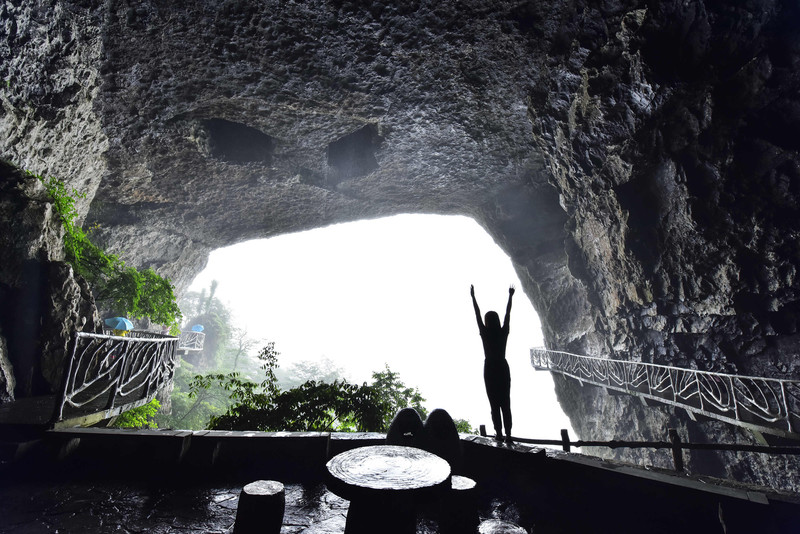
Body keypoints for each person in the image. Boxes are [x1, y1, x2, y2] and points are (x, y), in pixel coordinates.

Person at [470, 284, 514, 443]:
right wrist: (510, 297)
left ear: (487, 322)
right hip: (502, 367)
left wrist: (473, 297)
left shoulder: (485, 334)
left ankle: (499, 433)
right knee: (505, 402)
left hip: (490, 369)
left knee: (494, 403)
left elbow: (477, 314)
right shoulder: (503, 333)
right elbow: (508, 314)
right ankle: (508, 434)